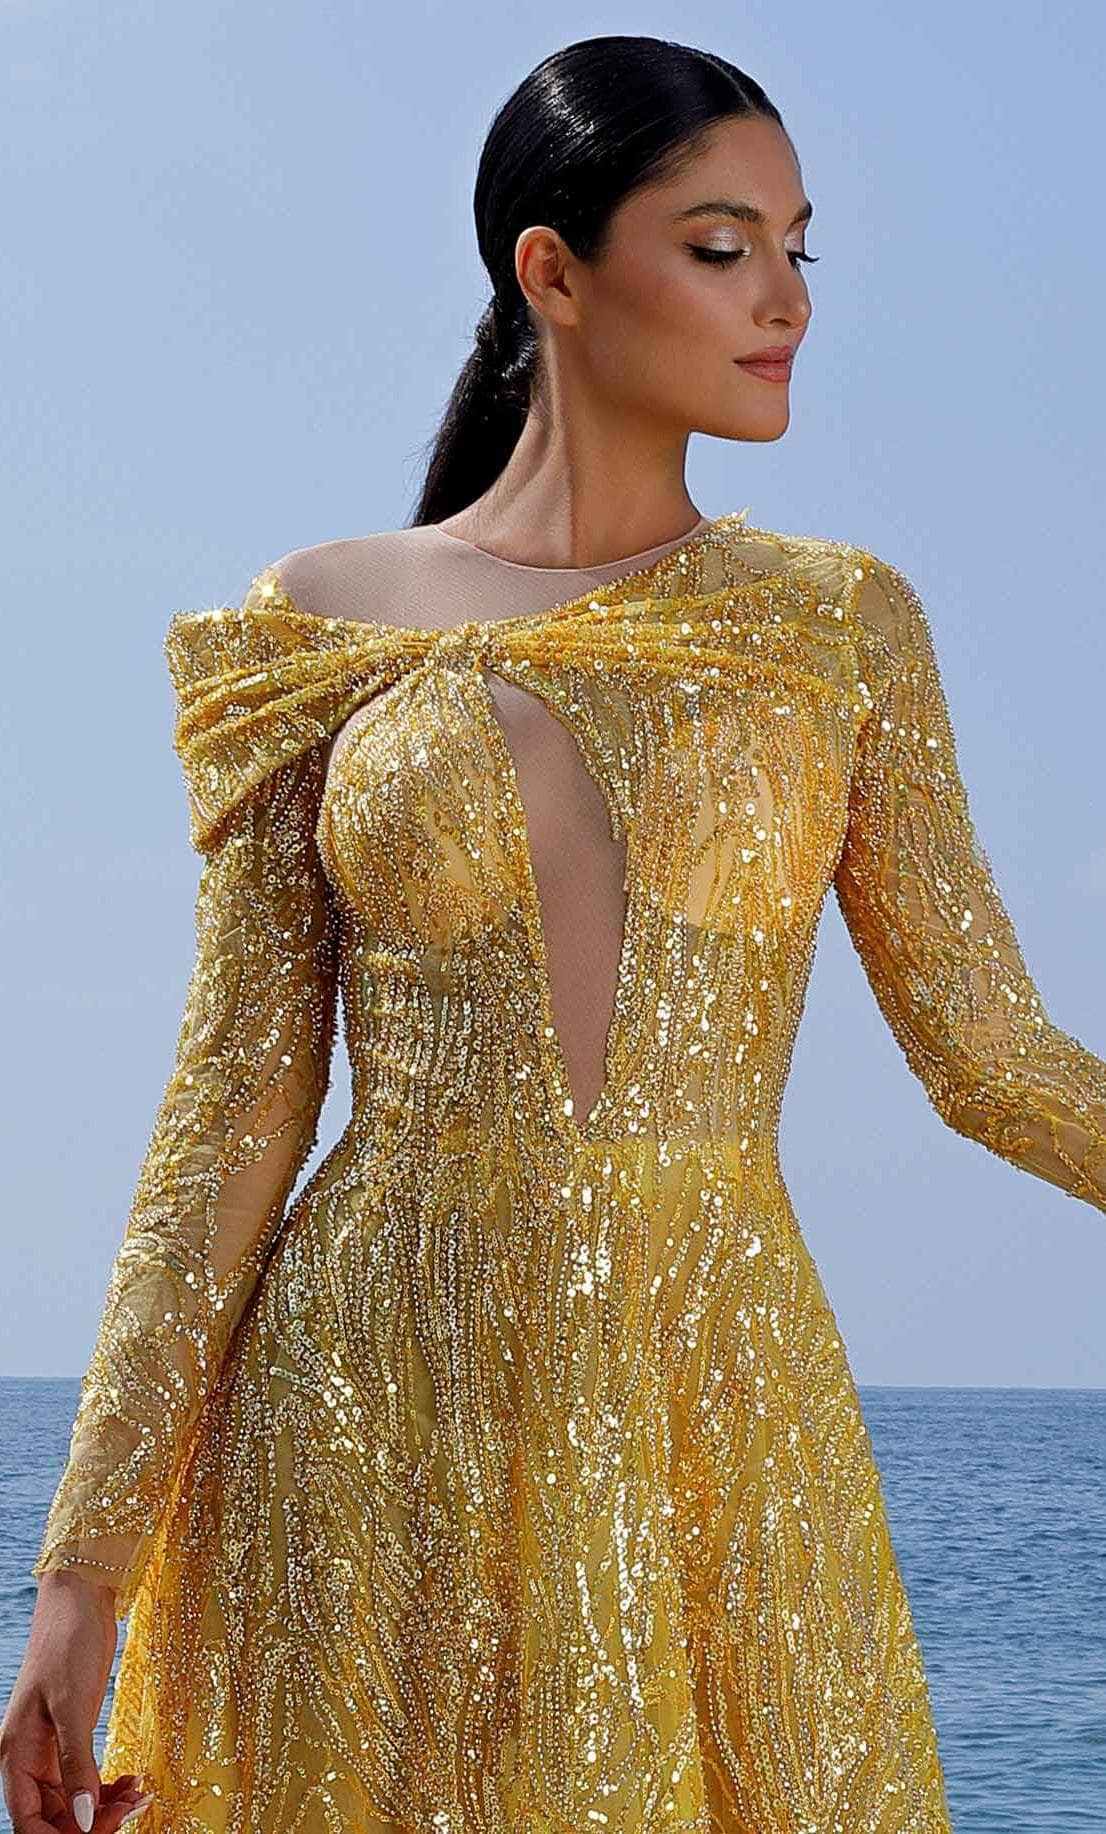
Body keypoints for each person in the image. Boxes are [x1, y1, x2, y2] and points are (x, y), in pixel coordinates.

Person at [4, 31, 1104, 1834]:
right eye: (721, 246)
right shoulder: (322, 630)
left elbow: (987, 1053)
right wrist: (78, 1581)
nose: (786, 302)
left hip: (712, 1395)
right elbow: (232, 1115)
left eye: (797, 249)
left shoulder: (831, 627)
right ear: (554, 271)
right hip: (359, 1408)